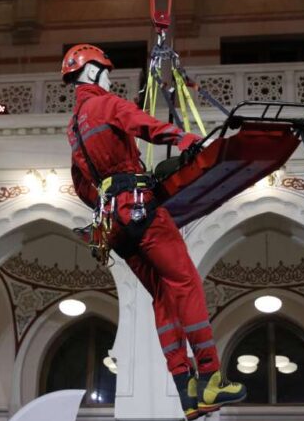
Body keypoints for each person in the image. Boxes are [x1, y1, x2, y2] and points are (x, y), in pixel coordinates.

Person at [62, 44, 246, 420]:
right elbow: (144, 124)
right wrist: (185, 140)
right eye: (107, 72)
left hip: (116, 226)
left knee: (162, 295)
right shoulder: (106, 103)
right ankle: (210, 376)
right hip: (141, 211)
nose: (110, 78)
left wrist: (109, 194)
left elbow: (82, 187)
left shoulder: (74, 127)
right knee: (186, 283)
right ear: (94, 72)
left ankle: (186, 389)